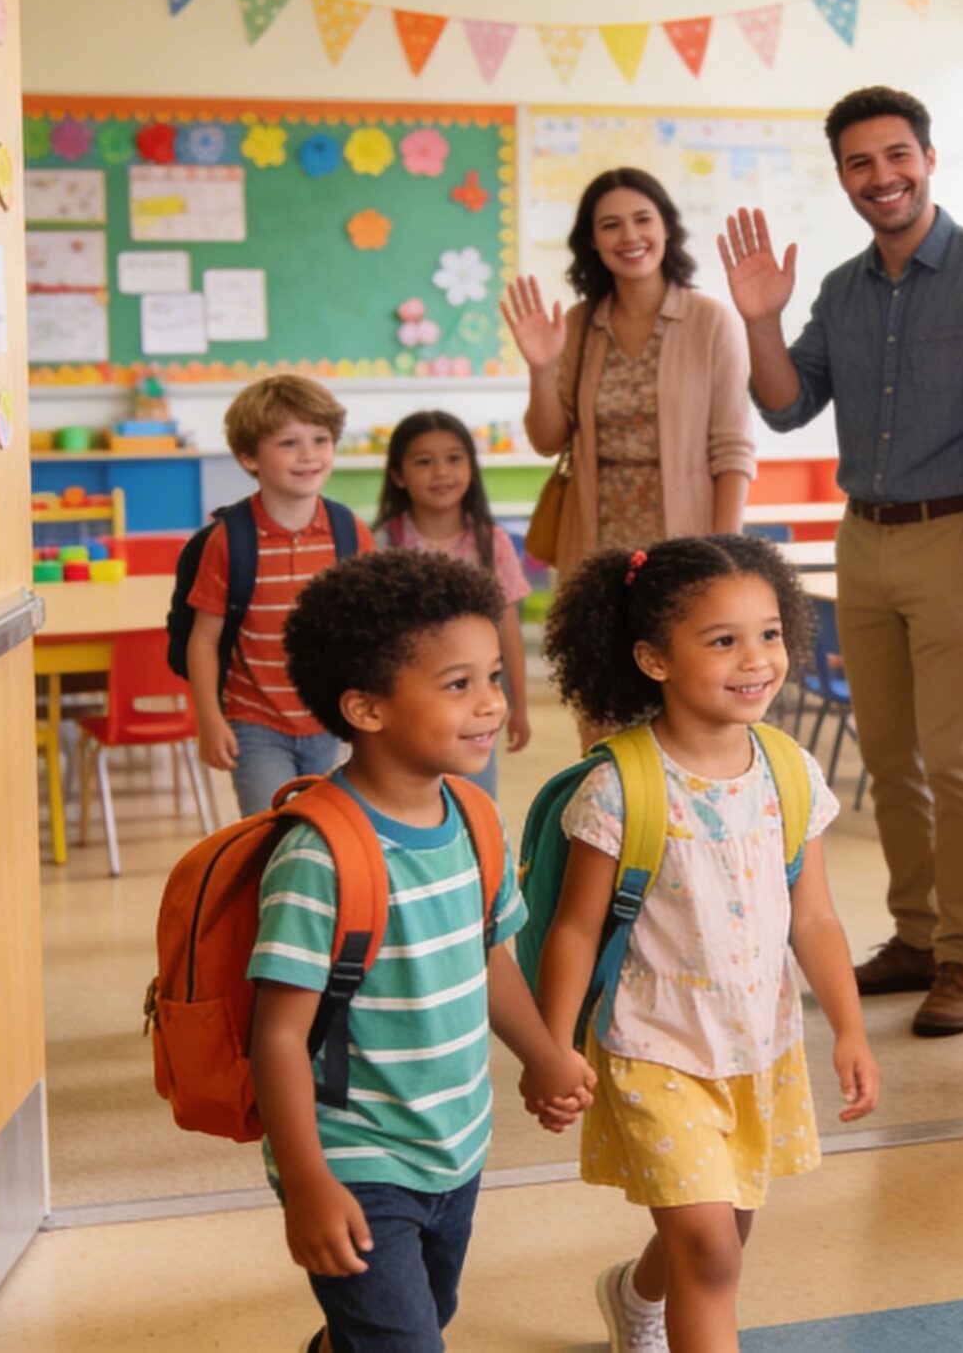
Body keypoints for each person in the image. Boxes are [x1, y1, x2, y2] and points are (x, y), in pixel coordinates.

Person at [719, 85, 963, 1038]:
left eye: (896, 156)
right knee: (889, 758)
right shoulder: (839, 290)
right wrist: (758, 320)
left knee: (956, 763)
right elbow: (785, 407)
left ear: (929, 159)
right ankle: (913, 937)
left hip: (956, 537)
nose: (882, 177)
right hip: (860, 538)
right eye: (861, 164)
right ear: (843, 178)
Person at [533, 534, 880, 1353]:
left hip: (758, 1046)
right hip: (655, 1049)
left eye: (769, 633)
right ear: (654, 658)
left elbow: (816, 920)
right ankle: (656, 1300)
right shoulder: (620, 786)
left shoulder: (789, 770)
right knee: (712, 1250)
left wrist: (853, 1030)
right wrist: (551, 1048)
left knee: (721, 1237)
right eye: (723, 640)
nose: (756, 658)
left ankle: (632, 1294)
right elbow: (575, 928)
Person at [255, 549, 597, 1353]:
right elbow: (275, 1036)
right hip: (355, 1154)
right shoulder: (321, 856)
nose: (489, 705)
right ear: (367, 710)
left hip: (456, 1141)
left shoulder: (473, 819)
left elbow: (487, 959)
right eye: (457, 685)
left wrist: (544, 1054)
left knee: (416, 1322)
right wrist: (307, 1182)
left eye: (493, 679)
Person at [502, 167, 756, 570]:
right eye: (610, 225)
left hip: (688, 544)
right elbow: (548, 441)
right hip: (593, 546)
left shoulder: (710, 321)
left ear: (667, 228)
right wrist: (541, 369)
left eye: (643, 220)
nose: (630, 237)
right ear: (592, 240)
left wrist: (723, 553)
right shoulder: (579, 323)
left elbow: (732, 450)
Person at [188, 374, 373, 817]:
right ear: (248, 456)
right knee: (271, 834)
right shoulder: (229, 541)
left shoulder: (350, 533)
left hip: (337, 724)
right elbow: (203, 641)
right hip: (255, 724)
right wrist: (210, 720)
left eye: (321, 439)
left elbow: (373, 633)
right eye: (288, 442)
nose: (309, 454)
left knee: (333, 836)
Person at [375, 409, 535, 794]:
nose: (441, 472)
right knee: (411, 796)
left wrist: (520, 707)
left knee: (474, 802)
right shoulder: (385, 542)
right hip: (410, 703)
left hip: (474, 702)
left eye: (454, 458)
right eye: (424, 462)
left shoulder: (490, 541)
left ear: (471, 467)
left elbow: (507, 628)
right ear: (398, 474)